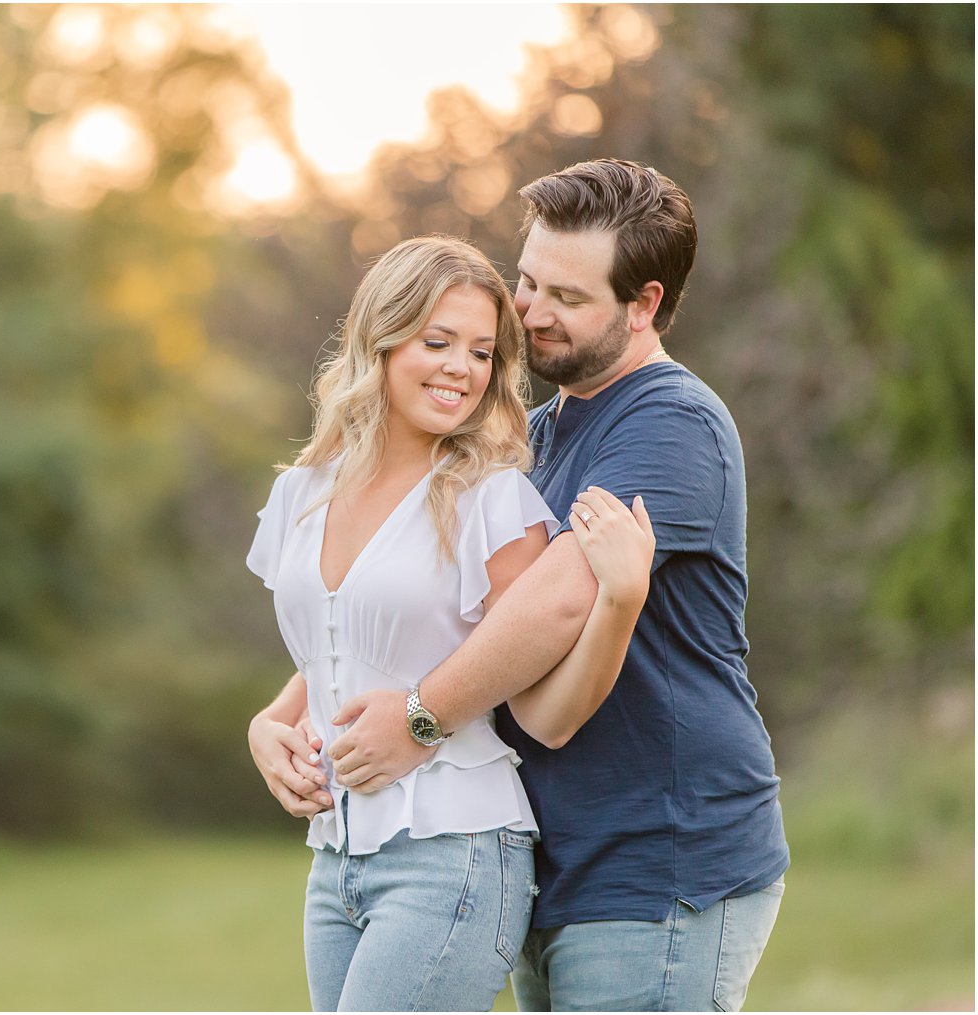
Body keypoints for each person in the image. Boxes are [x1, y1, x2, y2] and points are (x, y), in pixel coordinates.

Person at [313, 160, 790, 1011]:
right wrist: (282, 716)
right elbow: (417, 597)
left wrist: (420, 717)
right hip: (554, 853)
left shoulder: (671, 422)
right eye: (526, 281)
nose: (529, 311)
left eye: (566, 297)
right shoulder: (534, 432)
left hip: (657, 862)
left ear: (643, 304)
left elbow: (563, 595)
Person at [245, 235, 656, 1012]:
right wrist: (269, 723)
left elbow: (541, 708)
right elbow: (344, 645)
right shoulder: (302, 493)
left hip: (455, 855)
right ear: (382, 339)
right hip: (335, 859)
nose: (460, 369)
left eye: (481, 352)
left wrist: (617, 602)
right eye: (437, 342)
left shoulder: (492, 501)